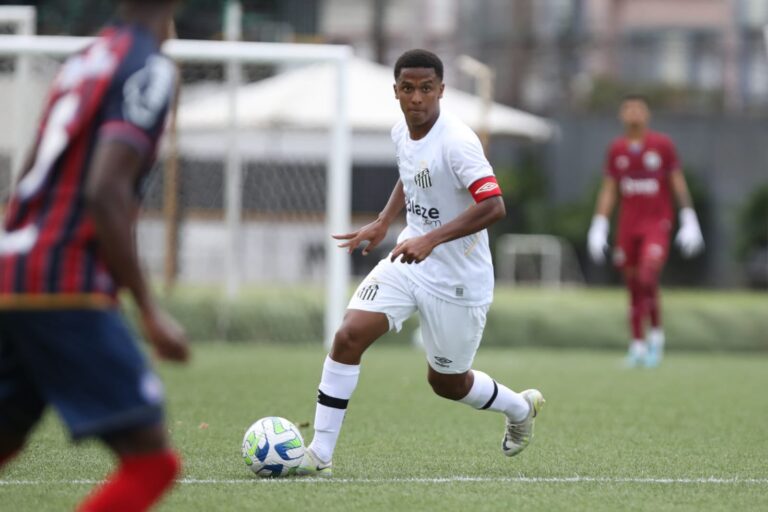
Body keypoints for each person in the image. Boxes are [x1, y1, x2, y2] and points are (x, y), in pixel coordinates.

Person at [297, 49, 544, 477]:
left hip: (459, 280)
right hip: (409, 259)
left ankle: (519, 408)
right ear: (396, 91)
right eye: (408, 89)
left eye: (426, 89)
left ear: (441, 91)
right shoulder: (400, 131)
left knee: (447, 383)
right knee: (348, 336)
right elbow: (412, 172)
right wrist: (383, 222)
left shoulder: (458, 141)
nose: (417, 98)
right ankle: (319, 454)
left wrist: (431, 238)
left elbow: (495, 206)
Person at [0, 1, 188, 510]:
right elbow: (106, 190)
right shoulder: (148, 69)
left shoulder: (85, 60)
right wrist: (148, 308)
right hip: (64, 281)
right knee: (152, 463)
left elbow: (30, 174)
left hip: (12, 269)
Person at [587, 94, 704, 368]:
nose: (634, 113)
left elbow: (677, 182)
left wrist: (689, 218)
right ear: (621, 115)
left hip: (656, 223)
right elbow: (609, 189)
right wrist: (599, 224)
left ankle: (657, 337)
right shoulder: (616, 150)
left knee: (648, 275)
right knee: (632, 284)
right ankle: (637, 344)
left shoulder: (662, 146)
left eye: (639, 108)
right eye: (628, 108)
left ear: (647, 114)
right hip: (628, 225)